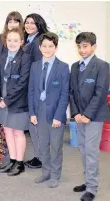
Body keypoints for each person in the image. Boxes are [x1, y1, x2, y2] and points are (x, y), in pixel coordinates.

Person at [69, 32, 110, 201]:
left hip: (94, 116)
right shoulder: (75, 66)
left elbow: (100, 93)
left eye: (85, 46)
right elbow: (72, 92)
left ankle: (92, 188)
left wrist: (87, 114)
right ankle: (87, 181)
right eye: (79, 46)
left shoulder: (102, 65)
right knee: (84, 150)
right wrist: (77, 113)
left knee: (91, 152)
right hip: (80, 116)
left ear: (94, 47)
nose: (81, 49)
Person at [28, 32, 70, 188]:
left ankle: (55, 175)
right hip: (39, 111)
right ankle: (45, 172)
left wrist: (59, 116)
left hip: (55, 113)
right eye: (44, 46)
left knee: (56, 145)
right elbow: (31, 91)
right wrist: (32, 113)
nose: (47, 49)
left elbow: (65, 94)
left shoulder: (63, 67)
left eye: (50, 46)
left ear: (56, 47)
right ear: (39, 47)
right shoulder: (35, 66)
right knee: (42, 145)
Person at [0, 28, 31, 176]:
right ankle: (13, 160)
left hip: (16, 101)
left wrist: (7, 100)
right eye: (9, 40)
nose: (12, 43)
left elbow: (23, 82)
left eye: (16, 40)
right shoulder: (2, 56)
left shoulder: (26, 57)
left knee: (17, 132)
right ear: (5, 41)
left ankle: (20, 163)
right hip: (2, 100)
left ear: (21, 42)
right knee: (7, 131)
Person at [23, 13, 49, 169]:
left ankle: (41, 157)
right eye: (27, 22)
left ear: (39, 24)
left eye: (33, 23)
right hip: (31, 86)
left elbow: (40, 67)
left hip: (36, 87)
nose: (29, 25)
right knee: (34, 123)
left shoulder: (39, 41)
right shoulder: (29, 40)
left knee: (37, 124)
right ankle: (40, 155)